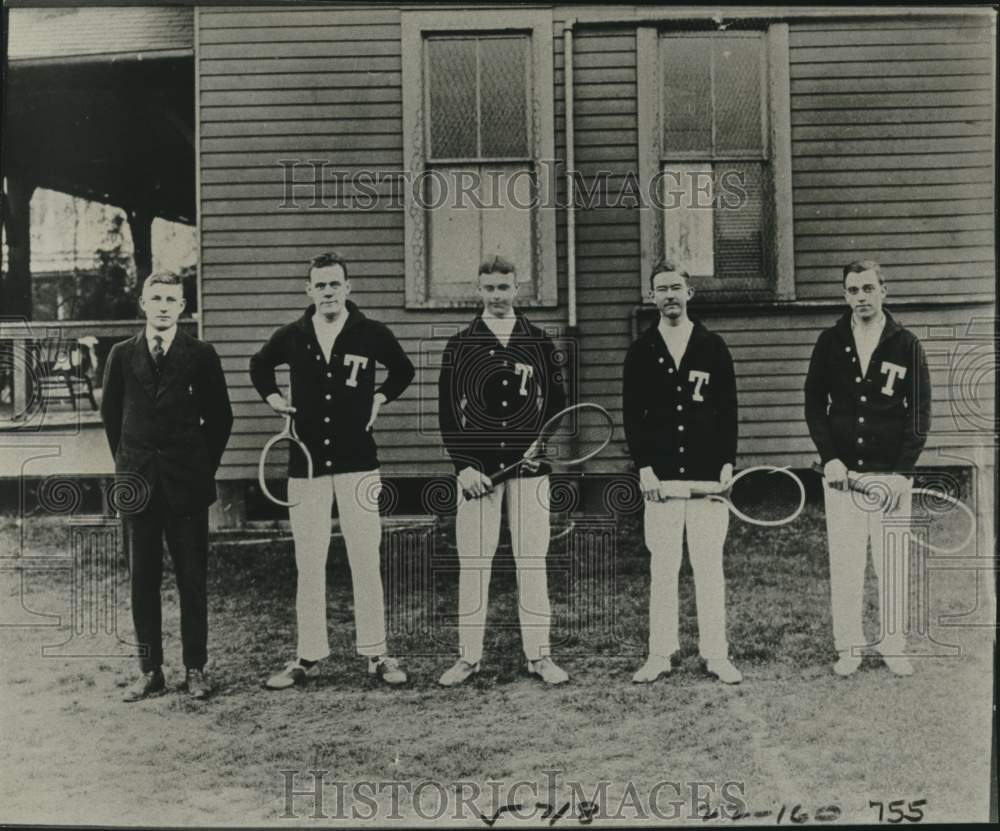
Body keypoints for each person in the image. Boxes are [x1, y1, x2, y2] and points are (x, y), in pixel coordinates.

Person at [250, 252, 415, 689]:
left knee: (365, 557)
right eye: (319, 285)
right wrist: (273, 400)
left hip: (359, 463)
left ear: (348, 288)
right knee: (309, 561)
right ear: (309, 290)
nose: (327, 292)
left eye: (334, 284)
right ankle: (307, 655)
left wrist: (379, 398)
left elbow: (403, 369)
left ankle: (377, 654)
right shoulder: (293, 335)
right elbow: (259, 366)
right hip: (305, 464)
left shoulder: (371, 332)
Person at [436, 255, 568, 686]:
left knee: (532, 562)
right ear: (479, 290)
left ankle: (540, 656)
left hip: (530, 472)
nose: (497, 296)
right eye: (489, 289)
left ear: (517, 289)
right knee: (474, 564)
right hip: (479, 477)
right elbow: (448, 414)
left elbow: (557, 401)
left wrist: (540, 442)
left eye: (504, 288)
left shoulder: (538, 340)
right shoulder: (460, 344)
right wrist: (464, 467)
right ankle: (468, 657)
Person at [101, 271, 233, 702]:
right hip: (138, 486)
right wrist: (132, 466)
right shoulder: (121, 355)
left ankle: (195, 668)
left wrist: (198, 468)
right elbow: (111, 419)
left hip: (187, 487)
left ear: (182, 307)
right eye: (154, 297)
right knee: (142, 580)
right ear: (142, 303)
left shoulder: (201, 354)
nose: (162, 306)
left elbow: (220, 418)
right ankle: (150, 670)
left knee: (192, 580)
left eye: (170, 299)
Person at [805, 259, 931, 677]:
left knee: (891, 563)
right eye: (852, 290)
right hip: (844, 479)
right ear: (845, 296)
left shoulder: (905, 343)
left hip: (890, 477)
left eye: (867, 289)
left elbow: (919, 413)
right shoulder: (830, 341)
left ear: (884, 291)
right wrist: (831, 459)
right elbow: (814, 407)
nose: (860, 297)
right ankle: (850, 648)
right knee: (846, 564)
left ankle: (893, 645)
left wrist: (900, 473)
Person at [622, 259, 742, 685]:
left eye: (676, 287)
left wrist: (728, 462)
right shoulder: (641, 351)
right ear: (652, 296)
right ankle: (660, 652)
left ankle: (716, 653)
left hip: (708, 478)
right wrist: (645, 469)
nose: (669, 295)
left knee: (709, 567)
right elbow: (633, 417)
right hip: (663, 482)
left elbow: (728, 409)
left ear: (690, 293)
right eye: (661, 288)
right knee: (664, 568)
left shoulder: (713, 346)